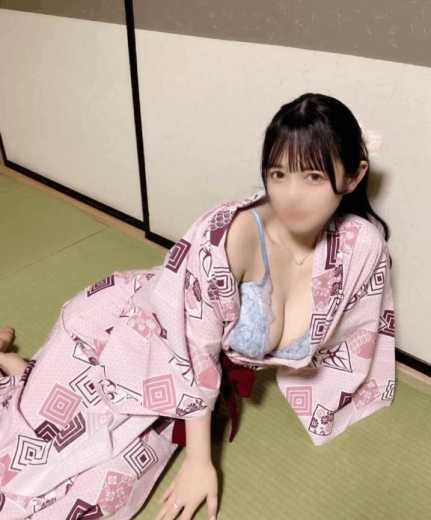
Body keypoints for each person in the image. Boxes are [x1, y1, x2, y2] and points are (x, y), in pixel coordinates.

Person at [0, 93, 395, 519]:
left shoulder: (359, 247)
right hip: (121, 336)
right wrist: (199, 461)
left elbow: (358, 334)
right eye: (278, 174)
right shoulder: (232, 235)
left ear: (354, 175)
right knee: (20, 476)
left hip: (176, 391)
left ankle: (17, 367)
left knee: (98, 497)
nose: (291, 195)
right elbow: (194, 348)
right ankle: (21, 369)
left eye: (313, 177)